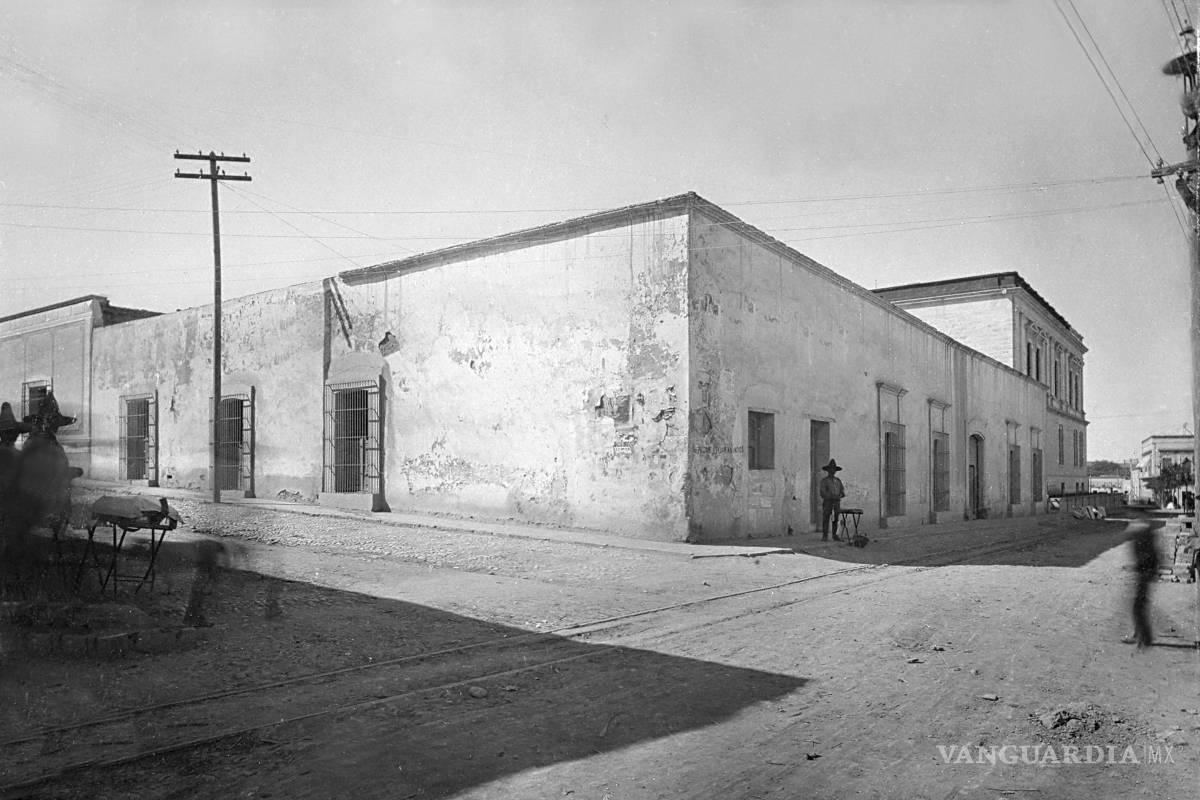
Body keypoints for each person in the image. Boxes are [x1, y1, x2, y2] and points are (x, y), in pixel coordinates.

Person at [1123, 522, 1159, 649]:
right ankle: (1139, 636)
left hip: (1145, 573)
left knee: (1137, 607)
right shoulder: (1143, 527)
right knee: (1139, 605)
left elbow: (1149, 556)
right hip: (1145, 572)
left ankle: (1145, 638)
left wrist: (1141, 568)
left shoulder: (1141, 529)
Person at [819, 459, 845, 542]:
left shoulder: (838, 481)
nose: (832, 471)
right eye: (831, 469)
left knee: (835, 519)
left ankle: (835, 535)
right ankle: (825, 535)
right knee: (826, 518)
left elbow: (842, 491)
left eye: (834, 469)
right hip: (828, 502)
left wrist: (839, 495)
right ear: (828, 470)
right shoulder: (825, 481)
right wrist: (830, 496)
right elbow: (822, 492)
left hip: (836, 503)